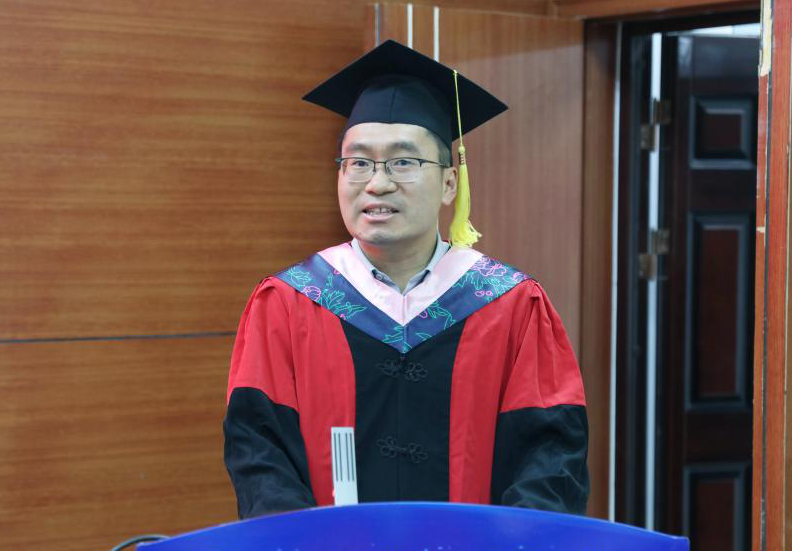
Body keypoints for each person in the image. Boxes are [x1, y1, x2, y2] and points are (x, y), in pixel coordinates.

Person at [224, 40, 588, 519]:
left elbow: (551, 458)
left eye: (403, 162)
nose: (378, 183)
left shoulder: (512, 305)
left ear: (450, 183)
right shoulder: (289, 303)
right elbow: (258, 451)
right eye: (358, 163)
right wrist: (308, 546)